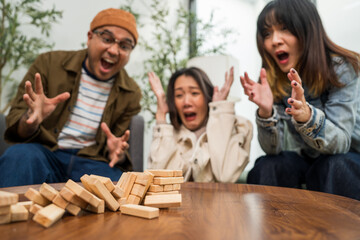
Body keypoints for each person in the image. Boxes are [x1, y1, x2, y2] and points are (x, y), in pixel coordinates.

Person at [0, 8, 142, 187]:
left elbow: (116, 147)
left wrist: (118, 153)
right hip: (45, 153)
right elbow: (15, 124)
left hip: (91, 163)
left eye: (124, 46)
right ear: (90, 37)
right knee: (19, 156)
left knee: (122, 185)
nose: (114, 50)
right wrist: (31, 120)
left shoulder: (131, 93)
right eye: (107, 39)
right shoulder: (48, 64)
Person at [240, 0, 360, 200]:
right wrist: (266, 112)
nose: (274, 40)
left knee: (333, 166)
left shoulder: (341, 68)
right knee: (268, 165)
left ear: (307, 31)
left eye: (284, 29)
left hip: (348, 158)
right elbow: (273, 149)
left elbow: (340, 143)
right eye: (267, 33)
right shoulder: (276, 79)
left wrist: (307, 117)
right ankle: (271, 230)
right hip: (309, 160)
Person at [148, 67, 253, 182]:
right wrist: (161, 119)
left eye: (194, 93)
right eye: (179, 95)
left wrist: (219, 112)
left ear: (207, 96)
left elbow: (225, 177)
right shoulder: (168, 136)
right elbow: (160, 181)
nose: (186, 102)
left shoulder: (239, 128)